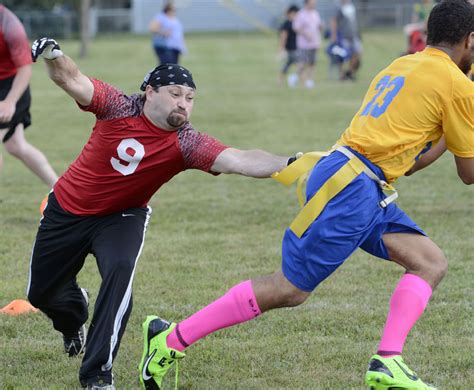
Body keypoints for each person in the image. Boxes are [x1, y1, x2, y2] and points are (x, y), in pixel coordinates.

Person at [139, 1, 473, 389]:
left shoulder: (401, 65)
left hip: (353, 176)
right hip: (353, 187)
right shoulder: (457, 86)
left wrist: (454, 130)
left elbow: (409, 162)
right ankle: (171, 338)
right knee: (289, 289)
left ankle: (388, 361)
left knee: (429, 262)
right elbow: (468, 174)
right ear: (469, 39)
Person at [29, 37, 295, 389]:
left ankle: (97, 375)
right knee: (41, 294)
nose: (183, 104)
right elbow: (72, 79)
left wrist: (292, 163)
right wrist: (54, 54)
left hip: (122, 217)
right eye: (174, 93)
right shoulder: (117, 105)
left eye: (189, 98)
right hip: (67, 209)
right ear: (150, 92)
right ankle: (74, 311)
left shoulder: (187, 142)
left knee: (119, 274)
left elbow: (239, 159)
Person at [0, 5, 57, 187]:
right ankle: (61, 192)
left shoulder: (9, 25)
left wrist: (10, 102)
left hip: (11, 88)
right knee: (16, 145)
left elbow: (25, 69)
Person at [292, 0, 323, 88]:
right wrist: (305, 33)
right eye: (312, 3)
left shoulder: (315, 13)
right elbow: (296, 27)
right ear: (306, 3)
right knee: (302, 62)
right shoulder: (301, 14)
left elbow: (318, 25)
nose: (314, 4)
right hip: (304, 44)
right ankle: (295, 77)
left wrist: (320, 27)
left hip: (314, 43)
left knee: (312, 62)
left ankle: (310, 80)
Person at [330, 0, 362, 80]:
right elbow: (334, 21)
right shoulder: (338, 6)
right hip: (343, 36)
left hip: (354, 35)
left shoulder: (351, 5)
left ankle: (350, 72)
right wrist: (334, 35)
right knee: (343, 56)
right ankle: (341, 75)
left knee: (357, 53)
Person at [278, 5, 299, 87]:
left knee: (293, 65)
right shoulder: (287, 24)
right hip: (290, 49)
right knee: (288, 66)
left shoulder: (295, 23)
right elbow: (283, 37)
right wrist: (281, 48)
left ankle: (295, 80)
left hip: (296, 48)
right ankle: (285, 80)